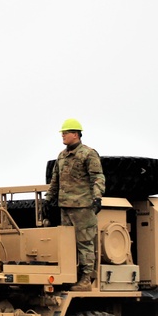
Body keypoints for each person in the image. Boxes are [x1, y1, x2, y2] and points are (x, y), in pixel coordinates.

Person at [45, 118, 106, 291]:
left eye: (65, 133)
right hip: (65, 207)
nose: (63, 136)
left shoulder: (88, 154)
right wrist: (48, 199)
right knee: (68, 245)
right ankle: (72, 277)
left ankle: (86, 279)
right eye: (62, 133)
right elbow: (55, 181)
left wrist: (97, 197)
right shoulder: (62, 156)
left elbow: (98, 177)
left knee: (85, 243)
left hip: (82, 207)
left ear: (75, 134)